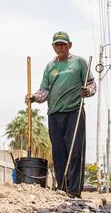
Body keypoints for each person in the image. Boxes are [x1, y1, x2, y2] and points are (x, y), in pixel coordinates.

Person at [27, 31, 94, 197]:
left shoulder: (79, 62)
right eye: (57, 44)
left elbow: (92, 84)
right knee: (58, 153)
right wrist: (34, 97)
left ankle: (74, 191)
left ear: (70, 45)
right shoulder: (50, 67)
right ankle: (62, 189)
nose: (60, 47)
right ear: (53, 47)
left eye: (63, 44)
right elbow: (45, 91)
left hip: (74, 112)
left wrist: (88, 91)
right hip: (55, 114)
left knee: (75, 151)